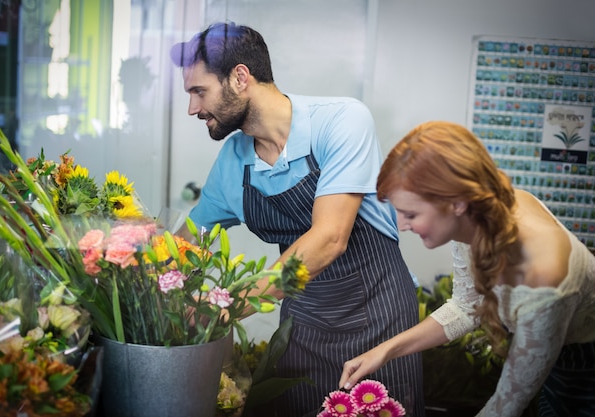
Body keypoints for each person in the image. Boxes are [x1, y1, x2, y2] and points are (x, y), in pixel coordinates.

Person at [170, 22, 424, 417]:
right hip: (302, 328)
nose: (192, 108)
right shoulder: (233, 162)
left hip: (378, 320)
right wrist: (134, 275)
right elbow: (184, 244)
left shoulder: (341, 121)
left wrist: (229, 305)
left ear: (240, 77)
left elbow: (329, 238)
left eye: (199, 91)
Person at [339, 120, 595, 416]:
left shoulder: (544, 274)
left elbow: (505, 406)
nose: (401, 226)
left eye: (411, 214)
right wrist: (384, 351)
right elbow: (466, 307)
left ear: (456, 203)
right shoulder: (477, 218)